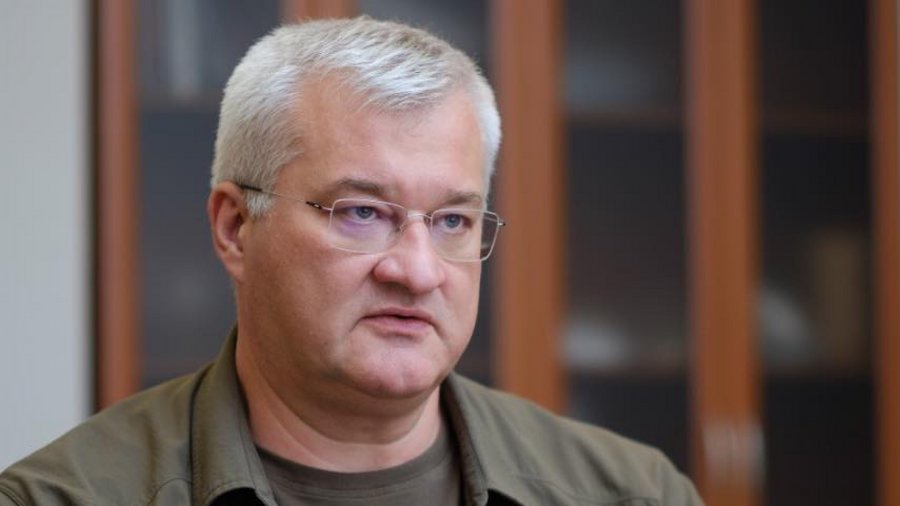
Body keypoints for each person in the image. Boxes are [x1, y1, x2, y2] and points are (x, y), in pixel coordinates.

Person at [0, 17, 703, 506]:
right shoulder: (61, 497)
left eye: (452, 221)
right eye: (362, 213)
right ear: (236, 228)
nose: (418, 272)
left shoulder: (633, 493)